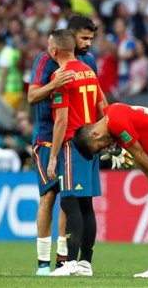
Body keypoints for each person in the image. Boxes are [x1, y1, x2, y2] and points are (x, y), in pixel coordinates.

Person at [71, 103, 148, 277]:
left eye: (99, 146)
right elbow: (137, 153)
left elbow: (138, 153)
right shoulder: (112, 113)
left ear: (95, 133)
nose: (106, 148)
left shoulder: (116, 122)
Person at [27, 15, 99, 276]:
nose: (89, 44)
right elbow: (32, 95)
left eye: (91, 39)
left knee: (74, 200)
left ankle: (64, 260)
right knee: (49, 196)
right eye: (84, 38)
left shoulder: (88, 63)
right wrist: (53, 85)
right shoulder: (46, 61)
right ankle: (44, 263)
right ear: (70, 37)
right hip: (48, 136)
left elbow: (96, 99)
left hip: (77, 141)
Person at [44, 29, 105, 276]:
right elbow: (102, 106)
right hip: (92, 144)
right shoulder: (89, 71)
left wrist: (53, 156)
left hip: (72, 144)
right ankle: (85, 262)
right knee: (86, 204)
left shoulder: (62, 76)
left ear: (54, 50)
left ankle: (68, 262)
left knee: (69, 203)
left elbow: (61, 121)